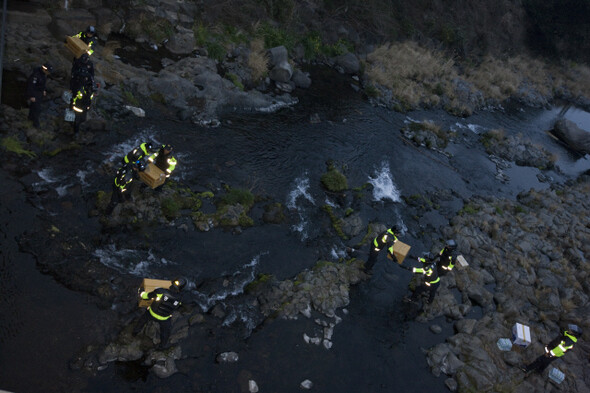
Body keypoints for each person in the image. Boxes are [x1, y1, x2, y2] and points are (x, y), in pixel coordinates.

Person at [133, 277, 187, 348]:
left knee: (142, 321)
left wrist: (142, 293)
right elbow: (179, 307)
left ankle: (135, 333)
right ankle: (162, 346)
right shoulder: (181, 299)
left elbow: (146, 296)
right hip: (164, 318)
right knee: (165, 332)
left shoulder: (160, 291)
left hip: (152, 313)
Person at [25, 63, 53, 128]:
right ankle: (35, 124)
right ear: (45, 70)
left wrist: (43, 90)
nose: (49, 73)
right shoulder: (36, 75)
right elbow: (30, 86)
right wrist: (31, 96)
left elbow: (42, 84)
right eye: (48, 71)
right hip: (34, 93)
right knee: (37, 109)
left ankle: (30, 118)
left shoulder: (43, 75)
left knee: (34, 107)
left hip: (39, 93)